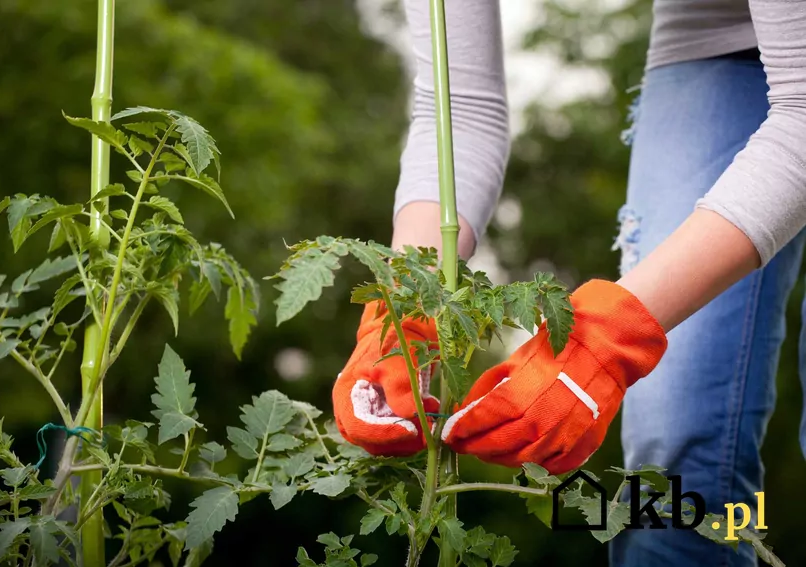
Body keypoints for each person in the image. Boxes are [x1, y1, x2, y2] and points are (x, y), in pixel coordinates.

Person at [330, 1, 806, 566]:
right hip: (707, 37)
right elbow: (456, 109)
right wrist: (404, 307)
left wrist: (607, 339)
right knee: (673, 458)